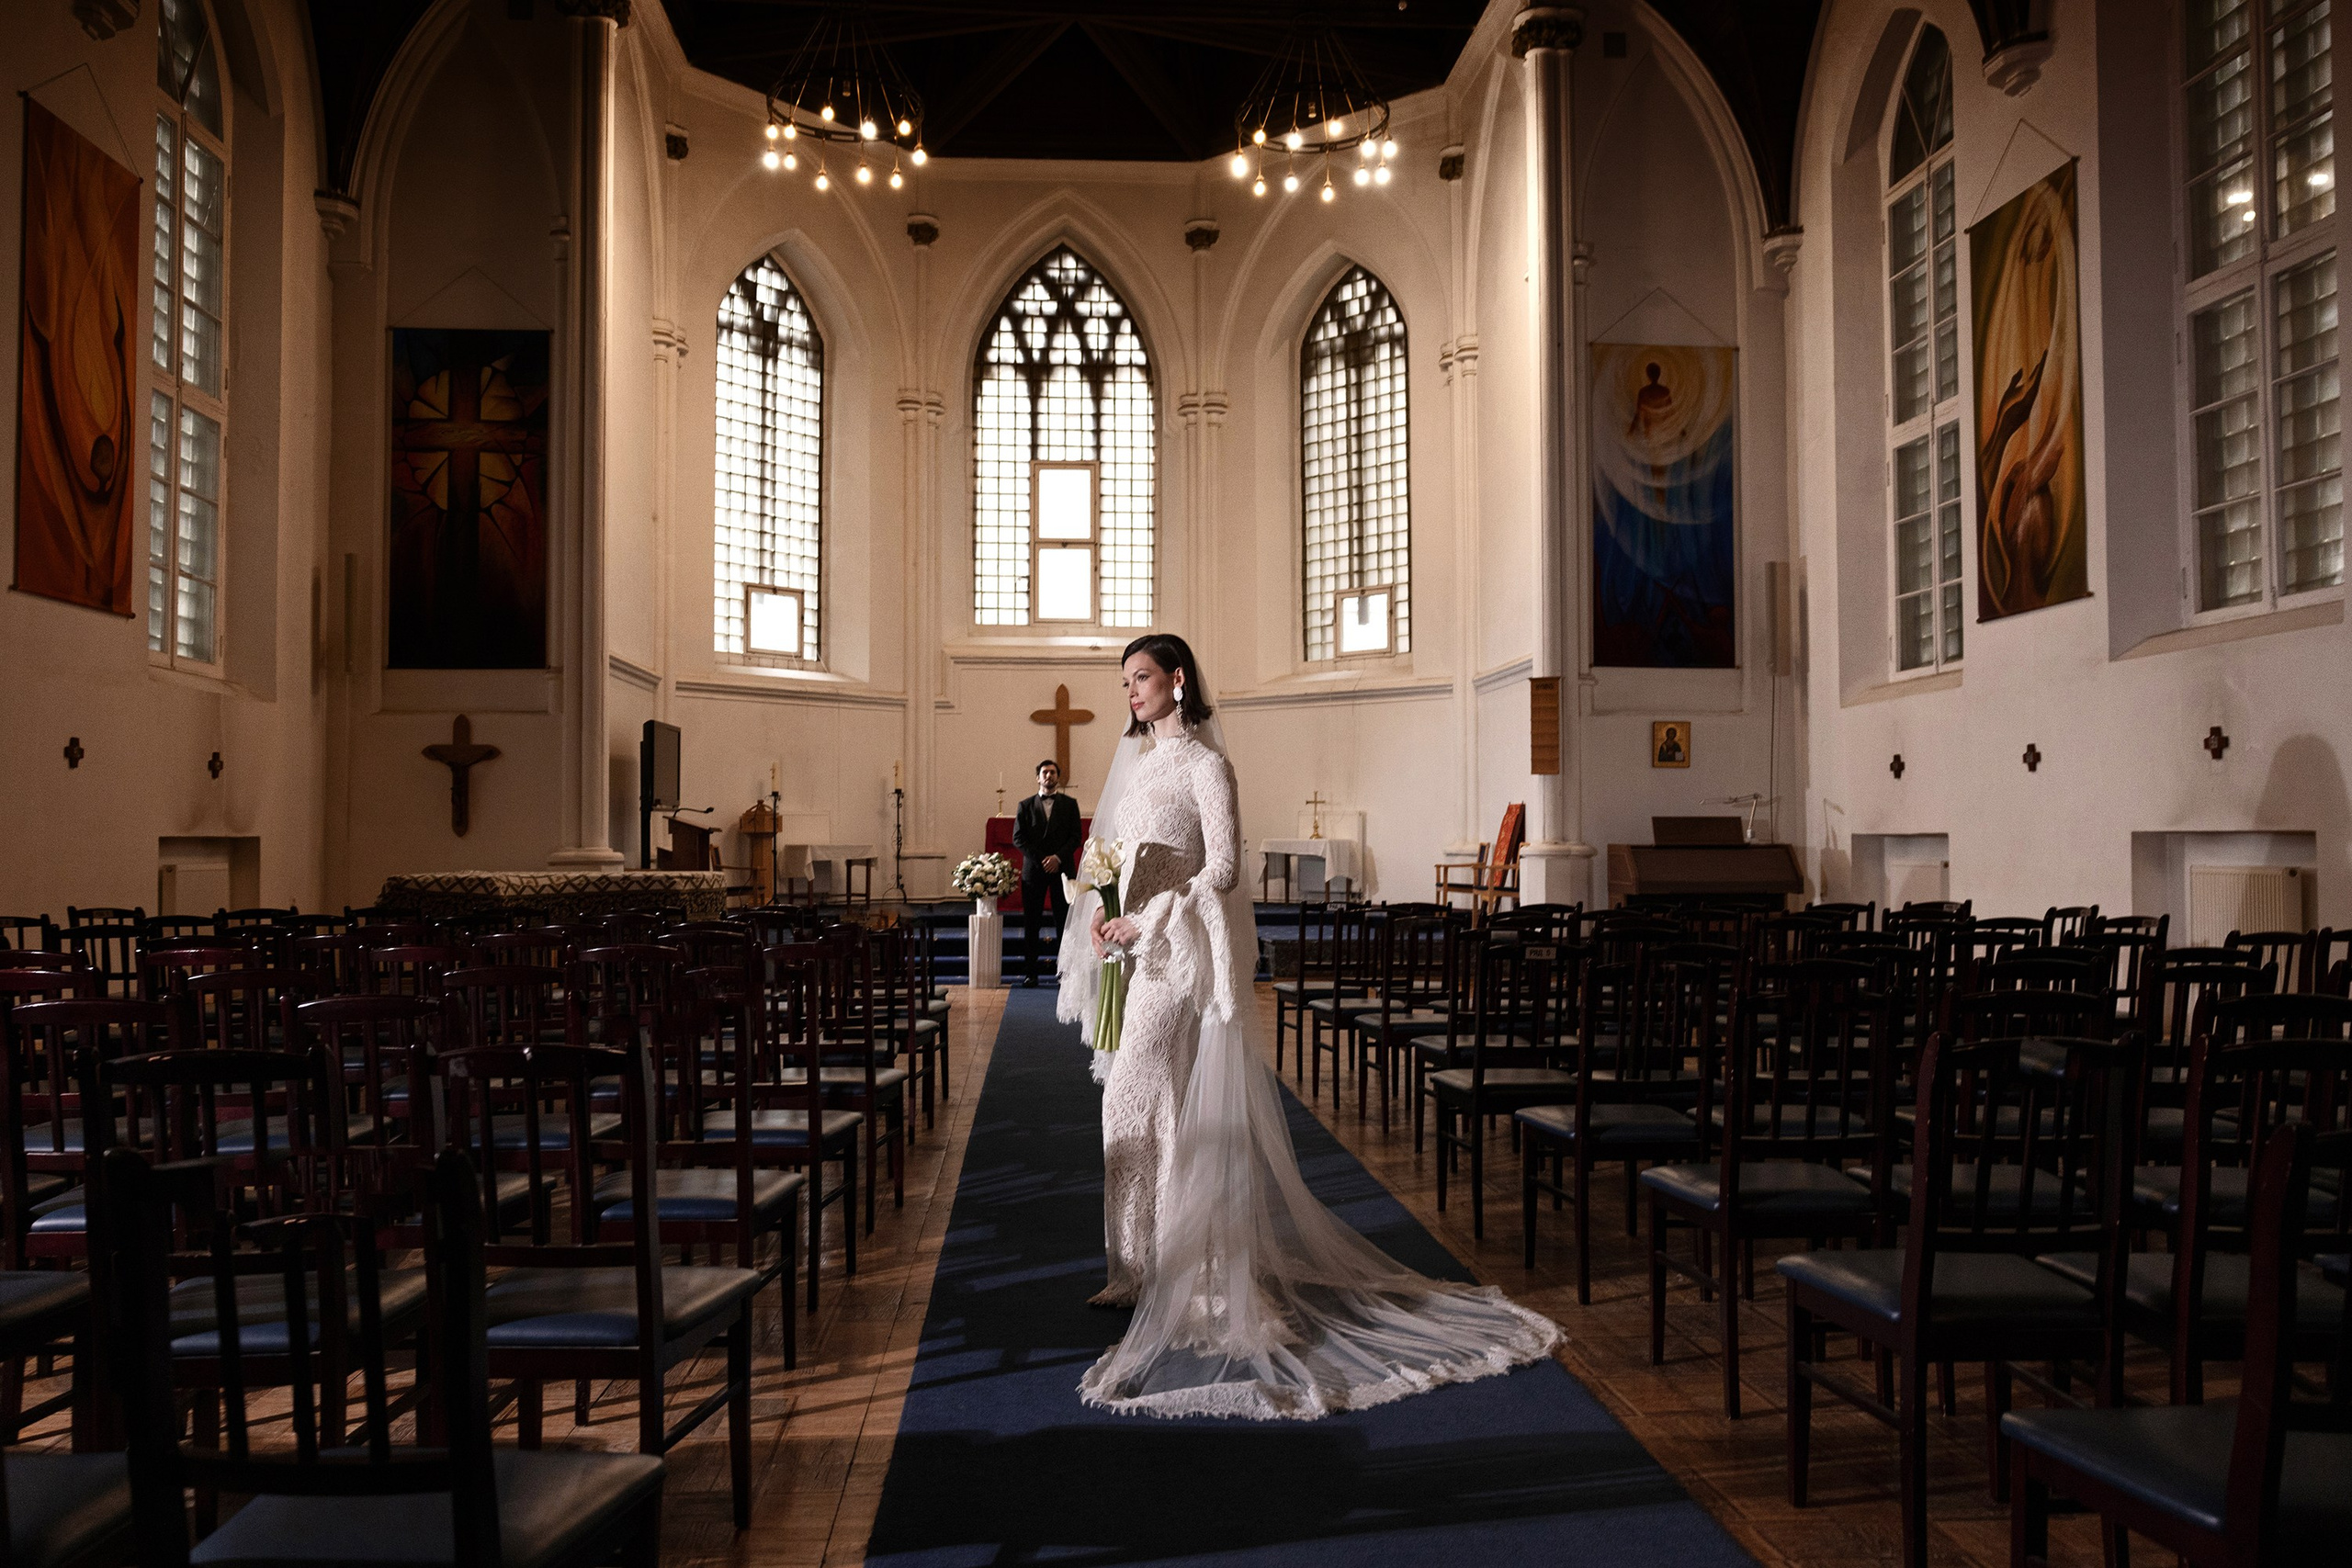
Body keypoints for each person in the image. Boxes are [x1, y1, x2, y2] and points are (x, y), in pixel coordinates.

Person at [1057, 633, 1561, 1420]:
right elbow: (1118, 858)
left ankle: (1182, 1273)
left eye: (1143, 677)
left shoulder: (1204, 765)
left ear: (1178, 679)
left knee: (1129, 1095)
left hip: (1181, 949)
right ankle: (1138, 1268)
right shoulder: (1142, 764)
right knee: (1151, 1105)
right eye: (1125, 680)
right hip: (1138, 949)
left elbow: (1221, 866)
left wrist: (1153, 911)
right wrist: (1106, 913)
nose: (1132, 691)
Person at [1012, 759, 1081, 987]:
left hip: (1062, 871)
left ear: (1057, 777)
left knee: (1064, 923)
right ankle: (1031, 973)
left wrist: (1057, 858)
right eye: (1044, 773)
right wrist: (1043, 859)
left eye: (1052, 772)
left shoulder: (1070, 804)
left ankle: (1064, 972)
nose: (1048, 776)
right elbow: (1018, 838)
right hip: (1034, 871)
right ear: (1038, 778)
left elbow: (1076, 837)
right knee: (1031, 923)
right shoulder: (1025, 805)